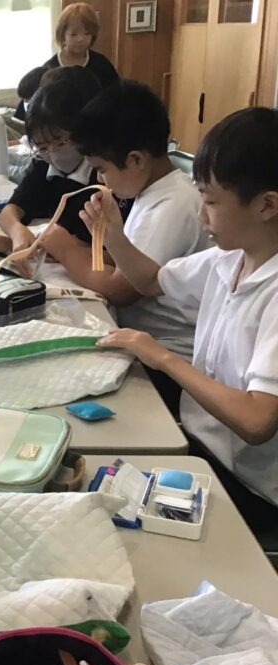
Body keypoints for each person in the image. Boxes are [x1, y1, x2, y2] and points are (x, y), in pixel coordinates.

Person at [82, 107, 278, 547]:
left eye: (211, 202)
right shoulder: (230, 258)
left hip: (249, 485)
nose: (202, 216)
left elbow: (256, 420)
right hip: (201, 444)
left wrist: (162, 357)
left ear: (266, 205)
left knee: (114, 529)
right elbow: (151, 280)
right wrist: (113, 235)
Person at [48, 81, 211, 414]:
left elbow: (122, 288)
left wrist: (65, 249)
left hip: (170, 357)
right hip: (145, 343)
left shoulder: (173, 204)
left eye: (103, 169)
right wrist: (81, 245)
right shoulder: (150, 193)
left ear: (136, 160)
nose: (100, 179)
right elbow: (126, 260)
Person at [0, 67, 128, 262]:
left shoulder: (105, 174)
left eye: (61, 142)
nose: (52, 153)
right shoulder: (44, 164)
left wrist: (25, 245)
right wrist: (17, 232)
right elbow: (11, 209)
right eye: (42, 146)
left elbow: (114, 252)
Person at [43, 2, 119, 90]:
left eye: (87, 33)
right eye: (74, 34)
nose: (80, 39)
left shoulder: (102, 64)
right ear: (62, 36)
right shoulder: (49, 68)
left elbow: (116, 93)